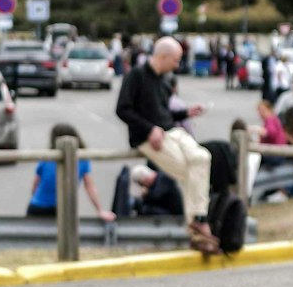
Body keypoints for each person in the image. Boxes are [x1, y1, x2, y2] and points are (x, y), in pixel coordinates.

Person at [116, 35, 216, 254]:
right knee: (187, 171)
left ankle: (197, 220)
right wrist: (149, 129)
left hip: (172, 131)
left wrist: (186, 112)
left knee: (202, 158)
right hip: (148, 136)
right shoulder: (136, 76)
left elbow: (163, 112)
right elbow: (123, 109)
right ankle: (198, 225)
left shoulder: (164, 80)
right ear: (163, 56)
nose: (177, 65)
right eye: (176, 60)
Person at [27, 124, 114, 221]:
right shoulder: (82, 159)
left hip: (38, 206)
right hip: (65, 208)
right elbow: (90, 187)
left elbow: (35, 186)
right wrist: (99, 210)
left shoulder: (47, 158)